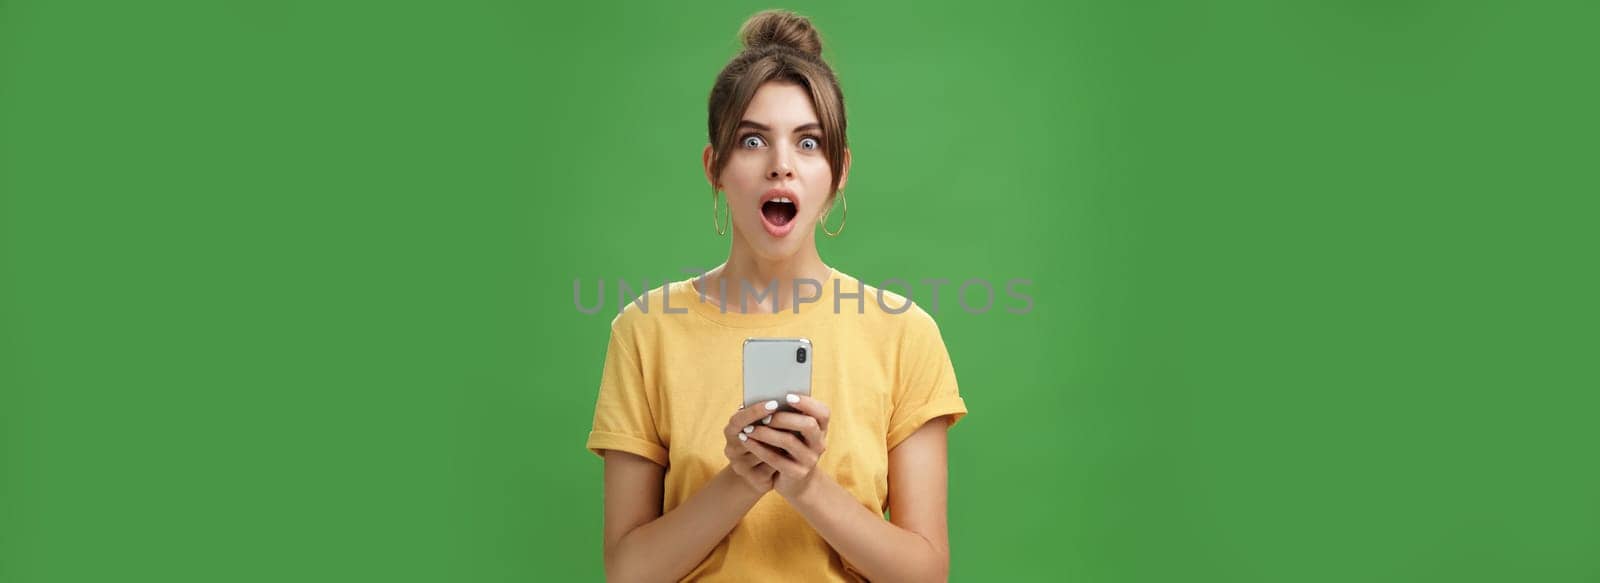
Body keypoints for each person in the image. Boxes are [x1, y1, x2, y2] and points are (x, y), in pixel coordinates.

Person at [586, 9, 968, 582]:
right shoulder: (645, 330)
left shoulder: (904, 334)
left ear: (838, 173)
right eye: (753, 140)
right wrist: (740, 479)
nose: (781, 167)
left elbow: (926, 575)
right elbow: (627, 573)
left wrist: (806, 485)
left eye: (808, 143)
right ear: (715, 168)